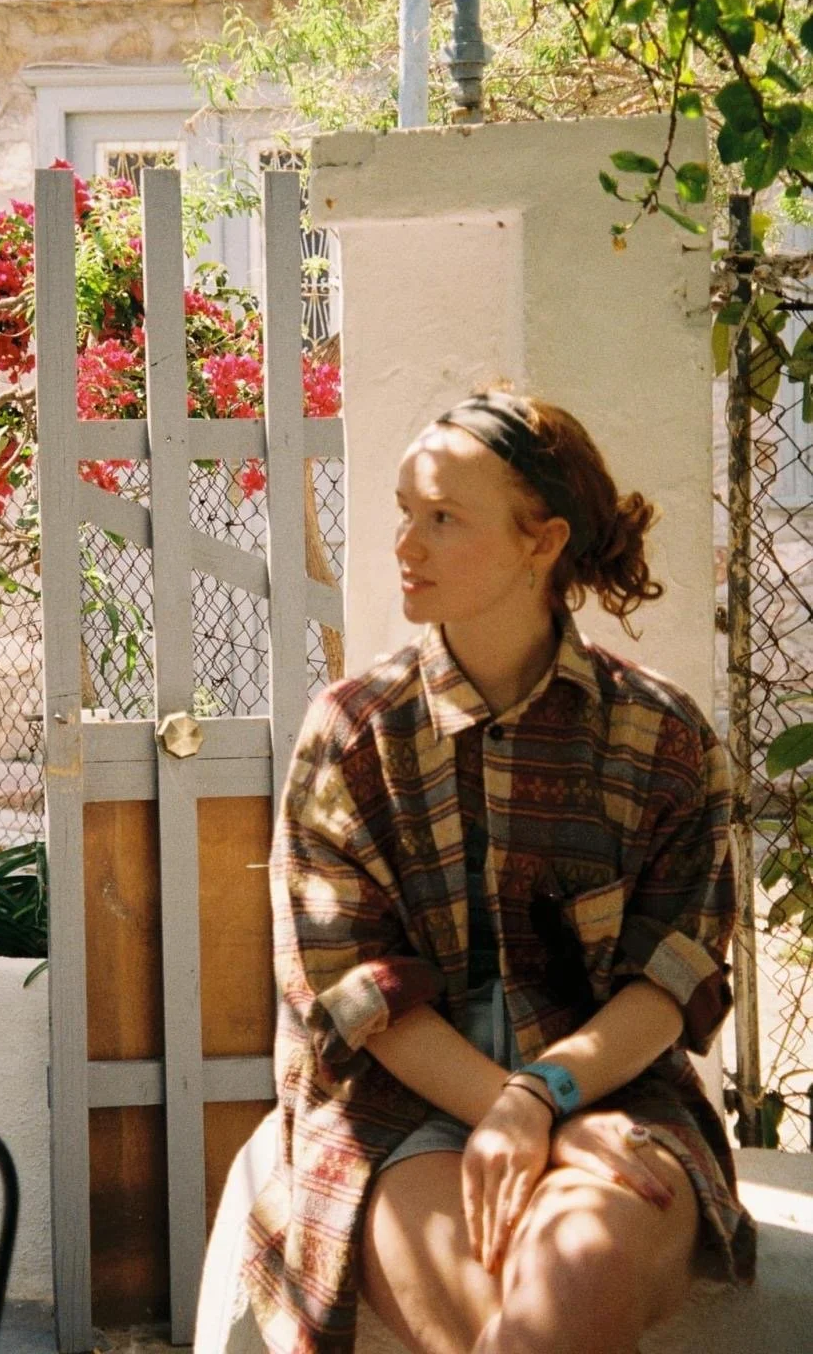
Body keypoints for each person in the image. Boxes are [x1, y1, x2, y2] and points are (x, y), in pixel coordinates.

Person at [231, 389, 755, 1354]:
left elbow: (670, 977)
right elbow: (355, 995)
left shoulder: (662, 738)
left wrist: (545, 1095)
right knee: (509, 1312)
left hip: (614, 1101)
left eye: (443, 518)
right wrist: (520, 1115)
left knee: (580, 1272)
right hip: (398, 1111)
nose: (405, 544)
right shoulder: (354, 736)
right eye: (403, 510)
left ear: (540, 542)